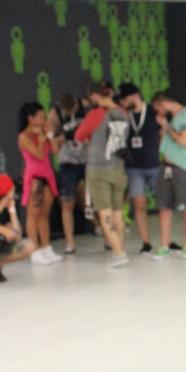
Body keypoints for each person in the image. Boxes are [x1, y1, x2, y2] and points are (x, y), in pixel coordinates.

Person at [75, 82, 130, 267]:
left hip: (99, 169)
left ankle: (119, 254)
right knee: (118, 213)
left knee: (105, 213)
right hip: (118, 167)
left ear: (95, 95)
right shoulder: (123, 113)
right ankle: (119, 250)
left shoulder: (95, 114)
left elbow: (79, 135)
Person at [150, 91, 186, 260]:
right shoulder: (172, 118)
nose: (158, 113)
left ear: (163, 103)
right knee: (164, 206)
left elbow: (183, 140)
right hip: (166, 166)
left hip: (182, 167)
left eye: (158, 109)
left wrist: (166, 127)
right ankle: (164, 245)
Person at [118, 83, 161, 254]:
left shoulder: (151, 111)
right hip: (134, 167)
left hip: (154, 165)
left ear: (134, 96)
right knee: (139, 205)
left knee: (162, 204)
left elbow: (162, 131)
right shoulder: (124, 115)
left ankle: (166, 240)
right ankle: (146, 242)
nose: (122, 103)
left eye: (124, 99)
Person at [17, 102, 61, 265]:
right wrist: (41, 140)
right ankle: (34, 250)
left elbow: (55, 150)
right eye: (41, 117)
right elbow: (38, 154)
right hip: (35, 178)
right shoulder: (24, 137)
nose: (44, 120)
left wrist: (49, 135)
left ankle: (46, 247)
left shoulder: (43, 132)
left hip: (47, 176)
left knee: (44, 215)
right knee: (33, 215)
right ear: (31, 118)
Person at [47, 92, 90, 255]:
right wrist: (63, 137)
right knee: (67, 202)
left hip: (87, 158)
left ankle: (107, 237)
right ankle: (70, 242)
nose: (68, 113)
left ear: (76, 105)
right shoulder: (55, 114)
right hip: (68, 161)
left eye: (70, 110)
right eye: (65, 111)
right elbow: (53, 144)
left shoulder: (86, 107)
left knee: (97, 198)